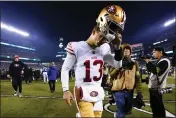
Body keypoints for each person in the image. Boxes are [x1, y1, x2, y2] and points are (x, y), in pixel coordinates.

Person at [61, 5, 126, 117]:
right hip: (82, 91)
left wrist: (118, 48)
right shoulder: (77, 46)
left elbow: (118, 65)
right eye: (101, 36)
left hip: (98, 92)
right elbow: (65, 69)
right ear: (94, 31)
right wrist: (65, 90)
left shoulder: (105, 47)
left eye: (105, 39)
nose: (102, 41)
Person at [109, 44, 144, 118]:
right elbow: (111, 75)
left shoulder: (135, 63)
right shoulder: (116, 61)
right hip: (118, 90)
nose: (126, 51)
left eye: (128, 50)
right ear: (121, 52)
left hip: (129, 91)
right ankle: (119, 115)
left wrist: (139, 93)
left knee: (127, 110)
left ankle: (119, 114)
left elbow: (138, 78)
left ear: (130, 52)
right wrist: (118, 67)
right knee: (121, 111)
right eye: (124, 50)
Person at [144, 47, 171, 118]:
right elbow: (152, 71)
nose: (153, 53)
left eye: (154, 52)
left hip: (157, 89)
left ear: (161, 52)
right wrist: (148, 63)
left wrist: (148, 62)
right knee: (155, 108)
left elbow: (155, 71)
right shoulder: (160, 61)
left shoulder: (164, 61)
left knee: (158, 109)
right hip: (154, 89)